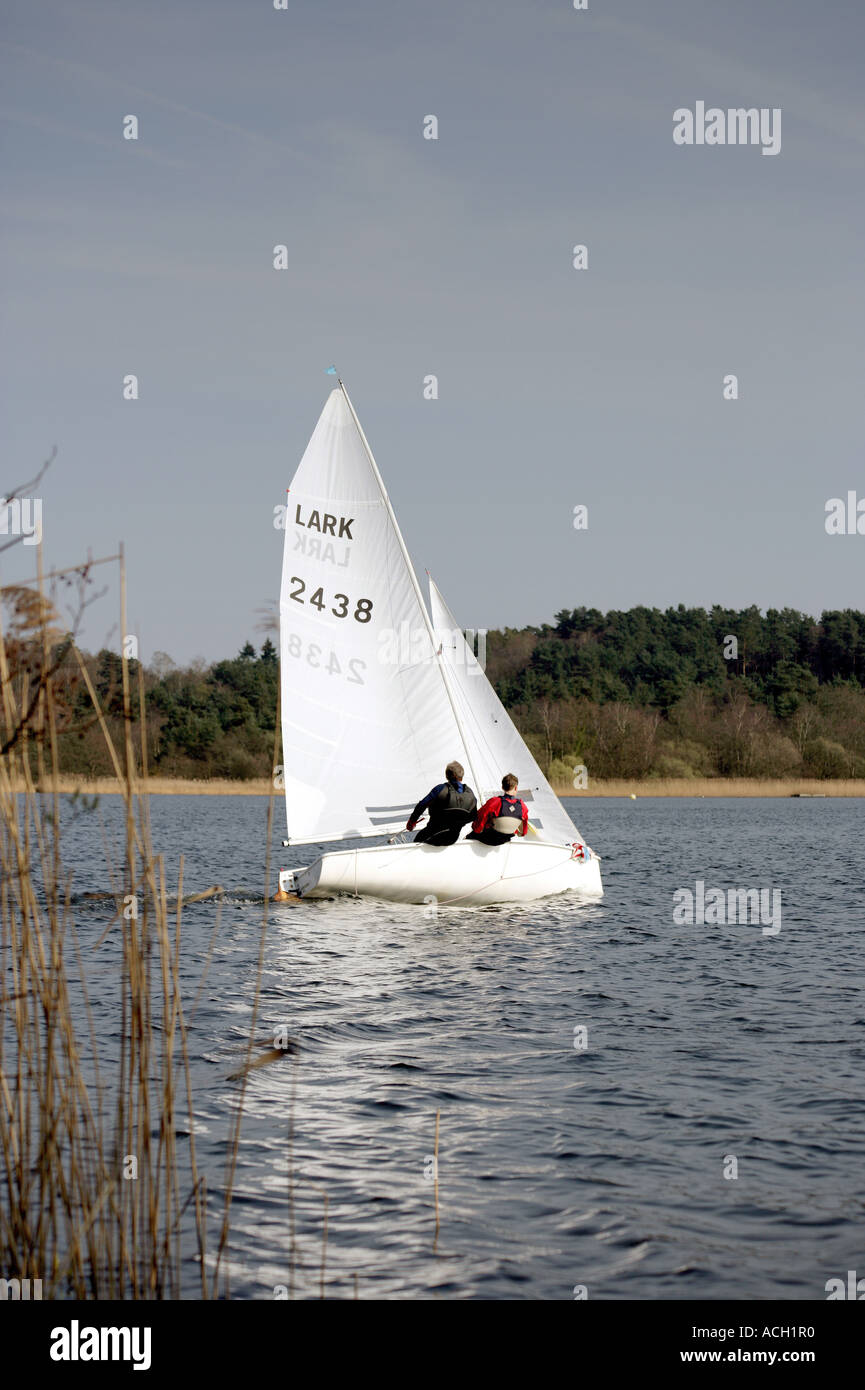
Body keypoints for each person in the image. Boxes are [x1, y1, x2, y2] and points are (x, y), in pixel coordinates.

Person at [406, 761, 477, 845]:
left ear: (447, 775)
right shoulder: (470, 794)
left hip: (433, 835)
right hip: (452, 838)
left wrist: (412, 822)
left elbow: (422, 805)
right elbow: (473, 816)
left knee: (418, 839)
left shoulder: (440, 789)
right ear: (462, 776)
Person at [467, 773, 529, 845]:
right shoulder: (522, 806)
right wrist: (518, 833)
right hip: (506, 839)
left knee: (470, 836)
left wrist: (476, 830)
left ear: (502, 787)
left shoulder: (495, 802)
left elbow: (481, 816)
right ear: (516, 788)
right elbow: (523, 831)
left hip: (488, 838)